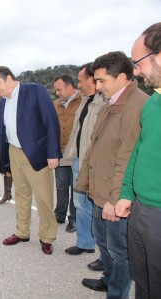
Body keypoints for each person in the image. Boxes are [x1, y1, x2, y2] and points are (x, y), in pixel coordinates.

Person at [76, 51, 149, 298]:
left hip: (113, 196)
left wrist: (114, 198)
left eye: (102, 80)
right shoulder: (113, 101)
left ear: (122, 77)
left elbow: (127, 158)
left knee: (119, 252)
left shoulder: (136, 105)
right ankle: (108, 280)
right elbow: (98, 145)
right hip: (99, 189)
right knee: (104, 244)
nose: (97, 86)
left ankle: (117, 293)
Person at [0, 66, 61, 255]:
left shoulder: (35, 91)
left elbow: (51, 122)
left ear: (9, 78)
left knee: (43, 197)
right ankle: (22, 232)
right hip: (14, 152)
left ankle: (47, 237)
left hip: (36, 153)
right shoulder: (1, 103)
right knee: (21, 195)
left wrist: (53, 153)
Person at [115, 22, 161, 299]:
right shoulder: (152, 103)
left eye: (139, 62)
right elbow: (139, 150)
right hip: (142, 212)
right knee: (143, 283)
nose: (135, 70)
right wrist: (126, 193)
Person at [62, 63, 106, 272]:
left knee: (100, 207)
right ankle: (85, 243)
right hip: (80, 158)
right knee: (80, 203)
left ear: (93, 79)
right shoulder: (85, 101)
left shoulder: (105, 102)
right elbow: (77, 132)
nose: (78, 85)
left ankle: (106, 256)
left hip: (96, 162)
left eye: (80, 80)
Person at [53, 75, 82, 233]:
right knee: (61, 186)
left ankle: (74, 219)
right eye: (55, 90)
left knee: (76, 188)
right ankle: (59, 214)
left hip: (77, 152)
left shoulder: (83, 102)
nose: (57, 93)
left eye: (59, 89)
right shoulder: (56, 105)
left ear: (70, 86)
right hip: (60, 152)